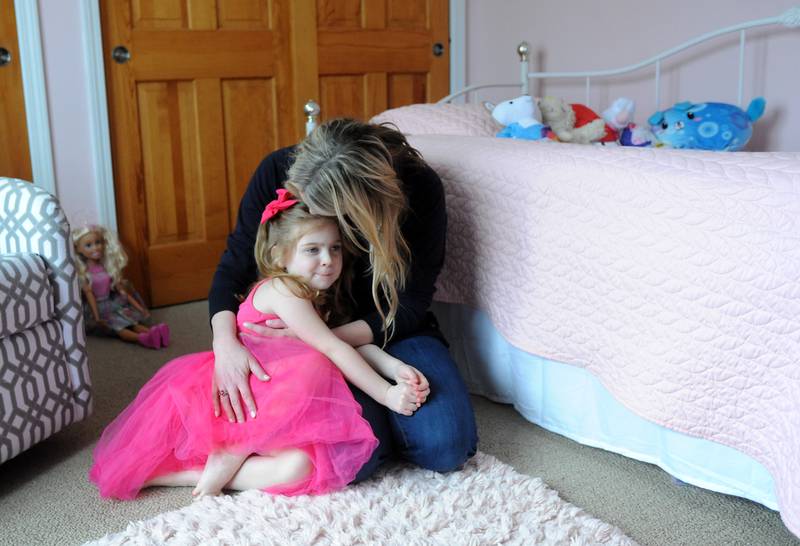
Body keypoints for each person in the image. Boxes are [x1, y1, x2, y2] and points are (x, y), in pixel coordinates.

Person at [89, 193, 427, 499]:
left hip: (273, 405)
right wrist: (386, 395)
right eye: (313, 249)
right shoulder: (285, 290)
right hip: (244, 398)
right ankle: (228, 452)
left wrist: (394, 368)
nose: (328, 259)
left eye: (335, 248)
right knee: (314, 361)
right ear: (279, 256)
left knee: (302, 467)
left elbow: (342, 345)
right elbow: (333, 349)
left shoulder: (312, 295)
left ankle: (187, 475)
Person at [209, 118, 478, 481]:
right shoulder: (277, 168)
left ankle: (388, 425)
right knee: (354, 459)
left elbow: (411, 303)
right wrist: (224, 342)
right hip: (303, 343)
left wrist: (326, 341)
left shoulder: (420, 188)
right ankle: (381, 429)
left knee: (446, 447)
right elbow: (234, 267)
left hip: (388, 327)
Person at [73, 225, 169, 349]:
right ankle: (143, 339)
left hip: (113, 303)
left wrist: (140, 308)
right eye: (89, 245)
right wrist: (96, 318)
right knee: (119, 328)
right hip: (98, 308)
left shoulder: (107, 267)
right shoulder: (84, 273)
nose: (96, 247)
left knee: (131, 322)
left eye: (98, 242)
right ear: (78, 250)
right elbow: (90, 295)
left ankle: (155, 334)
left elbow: (123, 292)